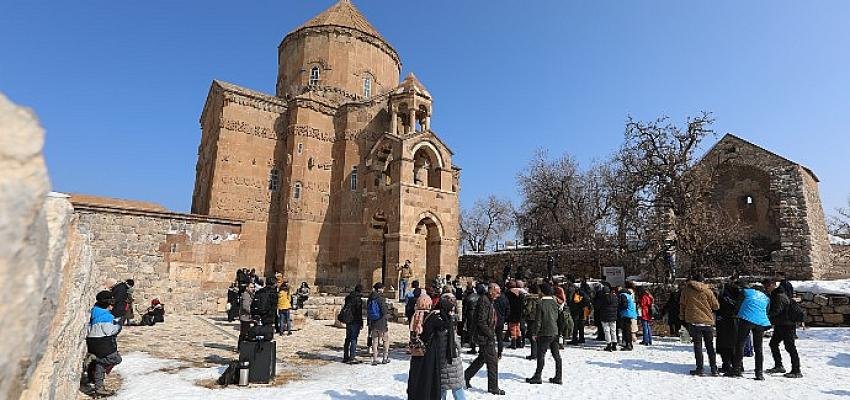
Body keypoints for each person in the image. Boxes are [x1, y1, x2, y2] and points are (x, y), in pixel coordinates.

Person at [464, 283, 505, 396]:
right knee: (492, 362)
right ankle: (493, 387)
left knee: (481, 358)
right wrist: (490, 334)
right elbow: (481, 321)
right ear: (491, 291)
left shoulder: (489, 301)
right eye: (497, 292)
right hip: (485, 337)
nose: (499, 295)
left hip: (486, 336)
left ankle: (465, 377)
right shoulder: (484, 301)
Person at [679, 274, 720, 376]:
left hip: (693, 321)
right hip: (707, 322)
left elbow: (682, 305)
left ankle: (700, 368)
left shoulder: (686, 290)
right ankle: (714, 368)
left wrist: (682, 317)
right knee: (710, 346)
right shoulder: (708, 290)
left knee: (698, 346)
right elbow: (716, 306)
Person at [85, 291, 123, 397]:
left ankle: (99, 388)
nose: (112, 307)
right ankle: (94, 359)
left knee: (101, 364)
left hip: (92, 341)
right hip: (103, 342)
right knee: (115, 359)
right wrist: (118, 325)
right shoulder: (106, 316)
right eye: (111, 305)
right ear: (107, 304)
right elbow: (109, 331)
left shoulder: (94, 312)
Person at [526, 283, 563, 385]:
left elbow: (538, 321)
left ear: (542, 292)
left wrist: (534, 333)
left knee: (541, 354)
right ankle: (558, 377)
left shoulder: (540, 303)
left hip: (544, 332)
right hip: (555, 332)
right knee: (557, 356)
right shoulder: (556, 303)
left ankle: (538, 376)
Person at [735, 281, 772, 380]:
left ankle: (737, 369)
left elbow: (738, 304)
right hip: (760, 322)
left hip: (746, 319)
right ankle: (759, 373)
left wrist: (737, 314)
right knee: (758, 348)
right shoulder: (766, 298)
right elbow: (767, 310)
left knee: (740, 343)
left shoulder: (746, 292)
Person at [765, 279, 802, 378]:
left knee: (790, 347)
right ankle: (779, 365)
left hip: (787, 325)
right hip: (780, 324)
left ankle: (796, 370)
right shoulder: (777, 294)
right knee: (773, 344)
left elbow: (777, 310)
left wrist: (766, 316)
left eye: (767, 286)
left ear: (773, 285)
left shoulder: (779, 296)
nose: (766, 288)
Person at [717, 279, 743, 374]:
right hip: (737, 321)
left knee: (725, 345)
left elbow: (718, 307)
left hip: (725, 321)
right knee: (735, 344)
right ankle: (738, 364)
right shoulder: (740, 296)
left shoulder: (724, 296)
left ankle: (727, 364)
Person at [367, 282, 390, 365]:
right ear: (379, 289)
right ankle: (385, 358)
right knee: (385, 340)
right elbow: (384, 311)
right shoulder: (380, 299)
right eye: (382, 288)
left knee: (375, 341)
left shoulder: (370, 298)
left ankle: (375, 359)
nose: (383, 290)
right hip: (382, 323)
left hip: (373, 322)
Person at [341, 284, 364, 364]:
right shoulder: (358, 299)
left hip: (348, 320)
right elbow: (359, 312)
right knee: (354, 338)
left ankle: (345, 357)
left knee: (347, 338)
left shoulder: (348, 297)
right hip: (355, 321)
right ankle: (352, 357)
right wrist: (361, 322)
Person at [595, 285, 620, 351]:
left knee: (607, 331)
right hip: (613, 316)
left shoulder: (602, 298)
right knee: (613, 330)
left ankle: (608, 344)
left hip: (604, 316)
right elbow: (617, 304)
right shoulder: (615, 297)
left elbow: (597, 306)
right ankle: (614, 344)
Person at [523, 283, 541, 360]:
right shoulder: (540, 298)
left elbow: (528, 309)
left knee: (532, 336)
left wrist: (524, 313)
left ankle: (534, 354)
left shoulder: (530, 298)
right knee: (537, 336)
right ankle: (538, 353)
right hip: (539, 318)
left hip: (531, 318)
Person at [505, 280, 525, 349]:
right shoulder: (521, 293)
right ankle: (519, 342)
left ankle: (513, 344)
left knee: (512, 328)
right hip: (519, 313)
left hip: (512, 312)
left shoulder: (508, 293)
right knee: (517, 328)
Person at [462, 282, 480, 353]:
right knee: (477, 330)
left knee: (471, 331)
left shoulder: (467, 298)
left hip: (470, 314)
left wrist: (464, 316)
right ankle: (479, 347)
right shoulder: (478, 297)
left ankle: (473, 347)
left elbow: (465, 308)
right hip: (477, 313)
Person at [238, 282, 255, 352]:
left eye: (253, 287)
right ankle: (240, 348)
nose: (253, 289)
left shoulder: (250, 295)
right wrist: (252, 312)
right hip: (245, 317)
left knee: (246, 333)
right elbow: (245, 306)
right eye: (251, 287)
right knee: (244, 333)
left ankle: (244, 347)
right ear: (247, 288)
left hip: (248, 317)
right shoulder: (246, 295)